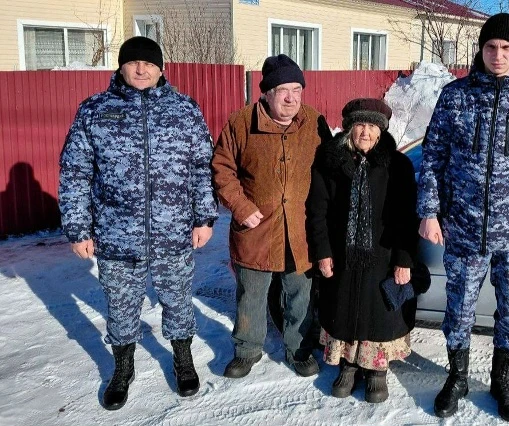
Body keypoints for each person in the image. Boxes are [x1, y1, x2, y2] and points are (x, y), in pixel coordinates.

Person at [417, 13, 509, 422]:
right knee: (458, 308)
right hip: (463, 228)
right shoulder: (456, 96)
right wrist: (429, 211)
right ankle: (457, 377)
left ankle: (501, 379)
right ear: (480, 49)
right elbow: (432, 159)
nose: (497, 55)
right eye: (490, 47)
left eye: (505, 48)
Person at [58, 36, 218, 410]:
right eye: (133, 62)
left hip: (173, 231)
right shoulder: (95, 110)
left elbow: (202, 169)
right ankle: (123, 367)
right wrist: (78, 229)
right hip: (116, 235)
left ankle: (183, 359)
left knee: (178, 300)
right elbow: (75, 172)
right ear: (122, 67)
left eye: (149, 63)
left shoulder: (184, 110)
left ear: (161, 68)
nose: (141, 69)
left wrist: (204, 218)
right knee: (120, 305)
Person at [212, 54, 332, 378]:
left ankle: (299, 349)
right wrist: (241, 206)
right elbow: (222, 169)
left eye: (297, 89)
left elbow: (331, 166)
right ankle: (247, 350)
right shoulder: (240, 123)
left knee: (299, 295)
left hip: (300, 229)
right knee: (251, 295)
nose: (291, 98)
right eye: (283, 90)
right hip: (255, 229)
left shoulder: (314, 122)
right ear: (266, 93)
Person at [306, 98, 419, 403]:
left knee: (377, 311)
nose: (365, 132)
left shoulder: (398, 166)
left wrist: (404, 259)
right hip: (341, 255)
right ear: (349, 129)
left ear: (381, 131)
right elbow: (317, 210)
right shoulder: (330, 163)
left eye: (371, 126)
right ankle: (348, 364)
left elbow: (408, 217)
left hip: (383, 256)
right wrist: (322, 252)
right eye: (359, 125)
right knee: (343, 307)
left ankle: (376, 369)